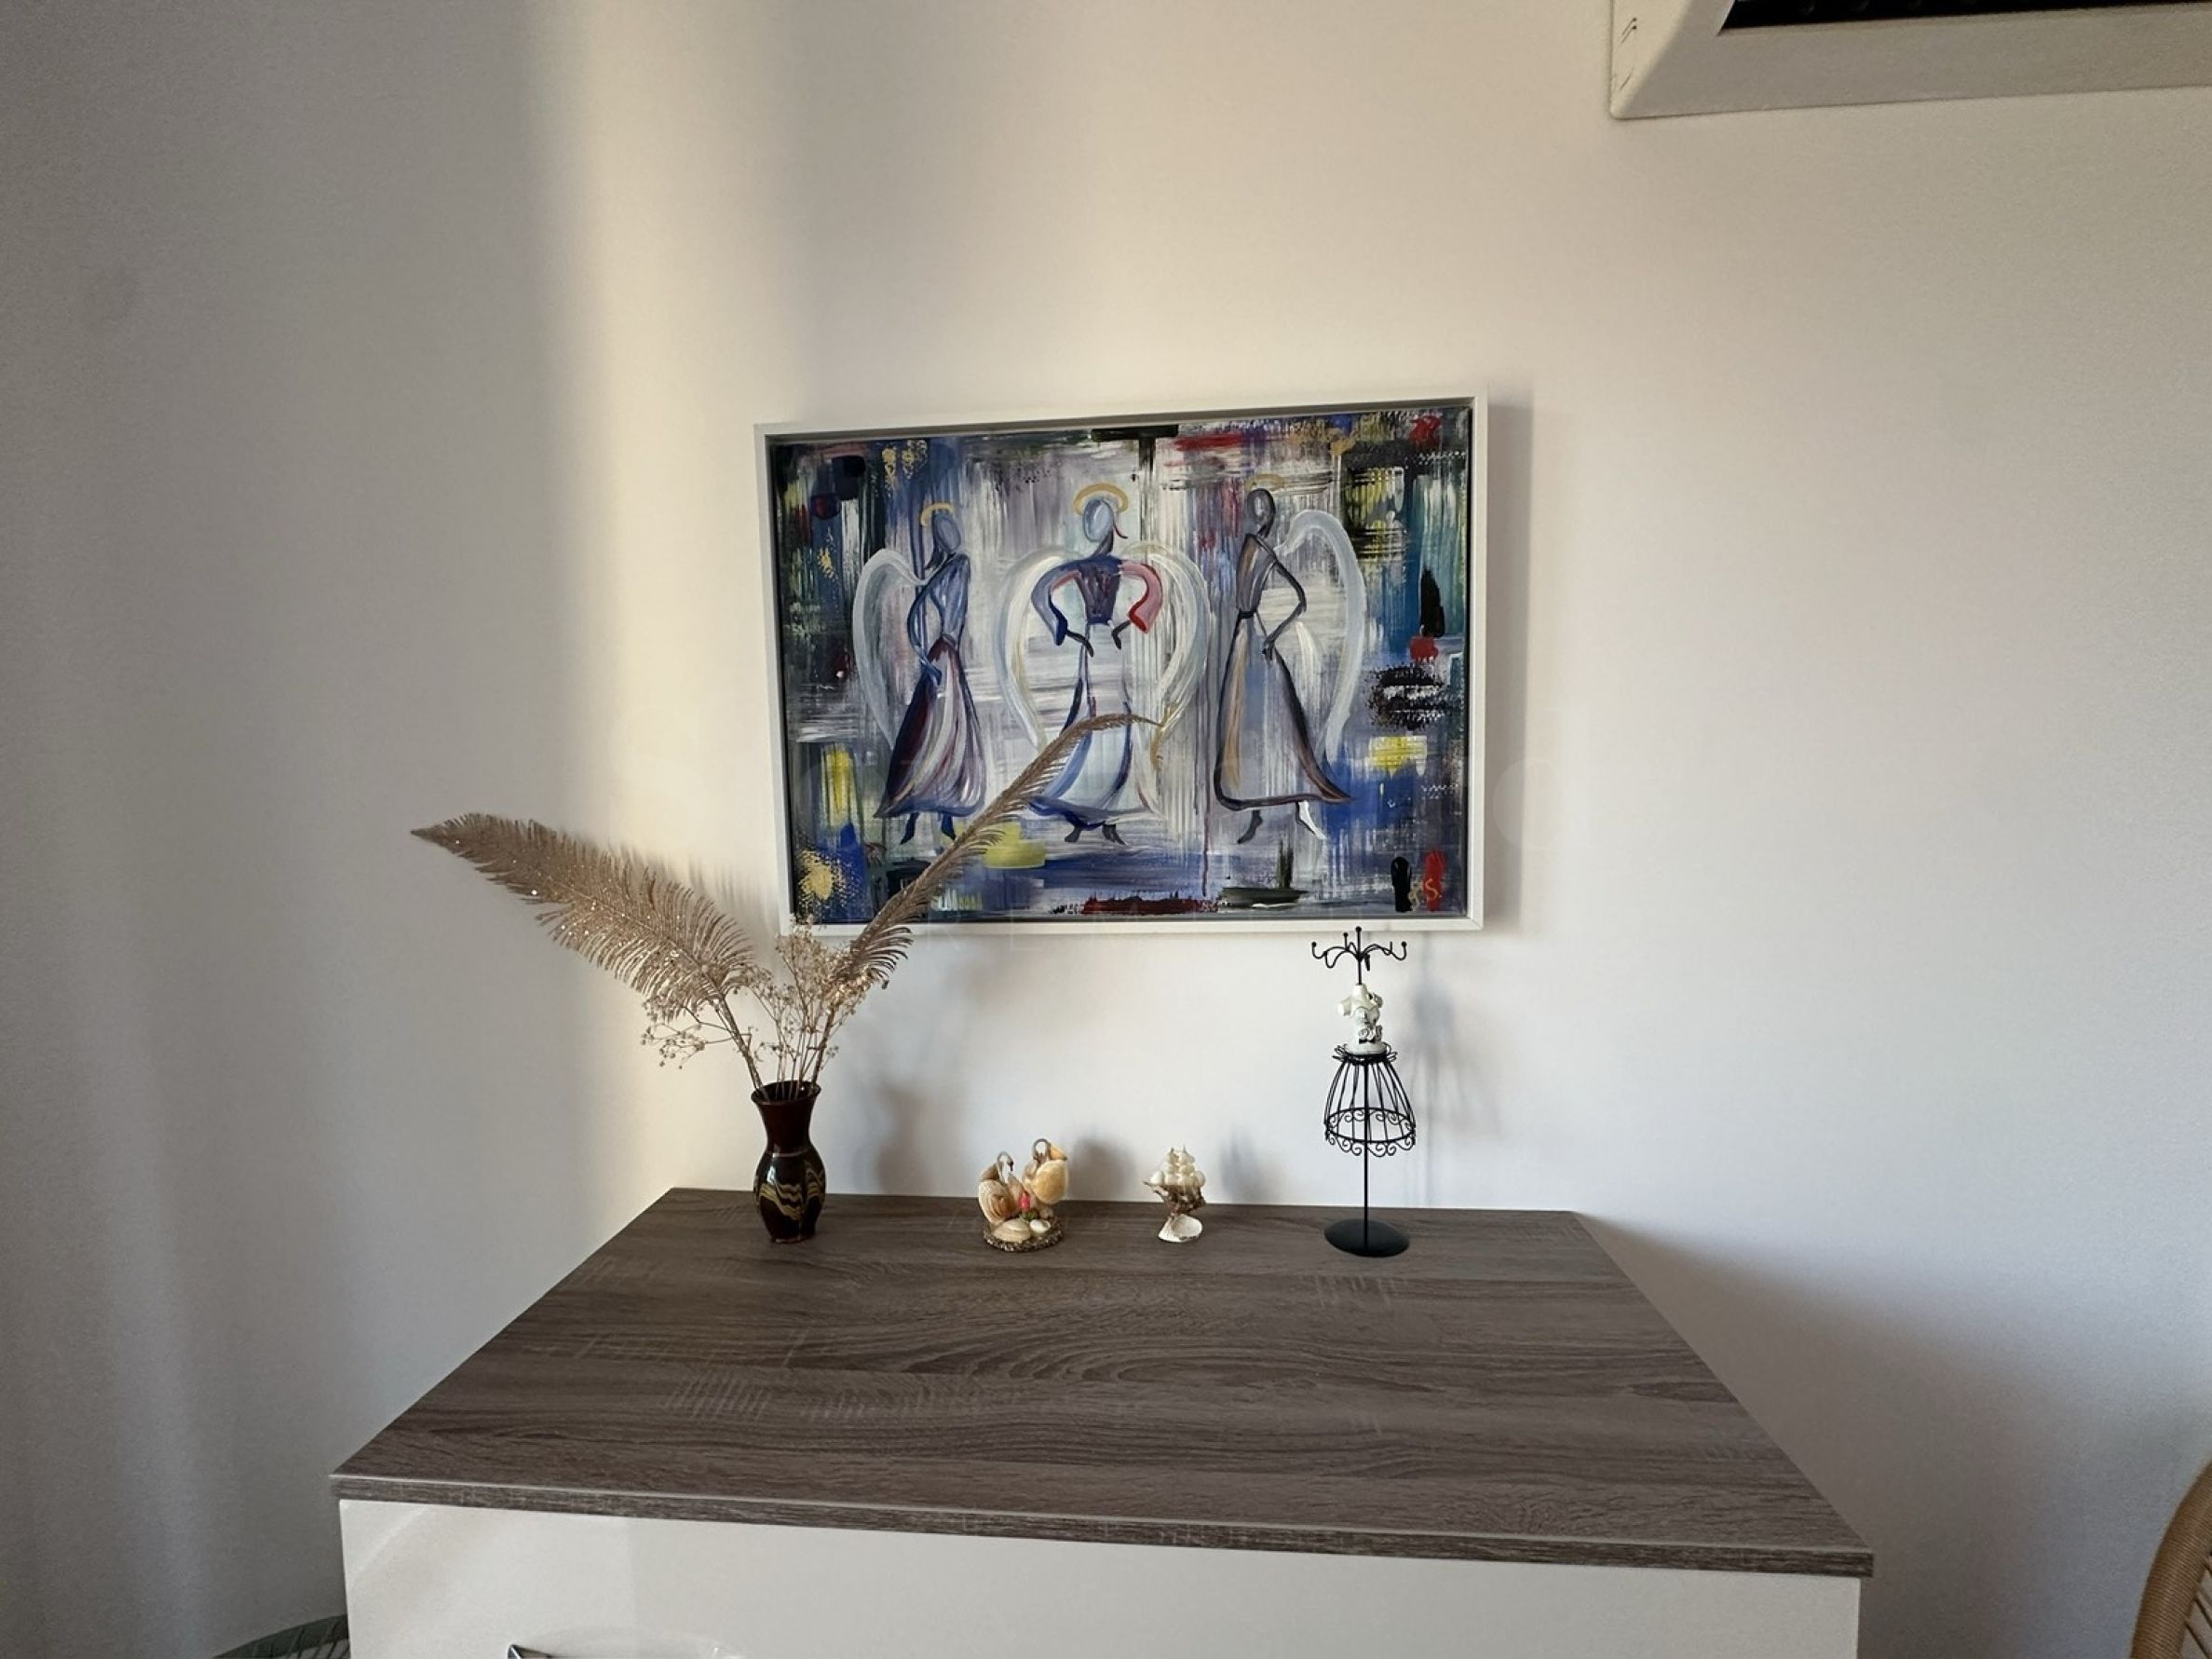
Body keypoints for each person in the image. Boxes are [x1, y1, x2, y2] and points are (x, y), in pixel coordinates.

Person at [1212, 485, 1349, 842]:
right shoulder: (1251, 545)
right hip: (1244, 636)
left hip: (1253, 637)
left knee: (1271, 722)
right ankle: (1256, 811)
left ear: (1267, 516)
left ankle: (1296, 806)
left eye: (1261, 510)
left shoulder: (1261, 550)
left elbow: (1300, 599)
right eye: (1254, 509)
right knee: (1247, 723)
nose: (1257, 516)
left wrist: (1273, 636)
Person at [1027, 489, 1163, 843]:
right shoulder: (1100, 567)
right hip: (1098, 644)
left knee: (1113, 723)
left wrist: (1070, 629)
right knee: (1094, 720)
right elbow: (1041, 592)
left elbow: (1153, 585)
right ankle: (1087, 816)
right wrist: (1070, 630)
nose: (1098, 526)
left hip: (1101, 644)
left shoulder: (1096, 567)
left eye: (1100, 519)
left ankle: (1104, 819)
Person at [880, 507, 985, 842]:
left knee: (939, 732)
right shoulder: (956, 565)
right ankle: (925, 816)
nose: (951, 533)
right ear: (939, 538)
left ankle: (933, 818)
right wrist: (924, 659)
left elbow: (917, 615)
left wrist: (925, 657)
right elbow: (914, 617)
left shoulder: (957, 564)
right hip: (944, 657)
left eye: (950, 526)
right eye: (944, 529)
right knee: (936, 732)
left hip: (946, 656)